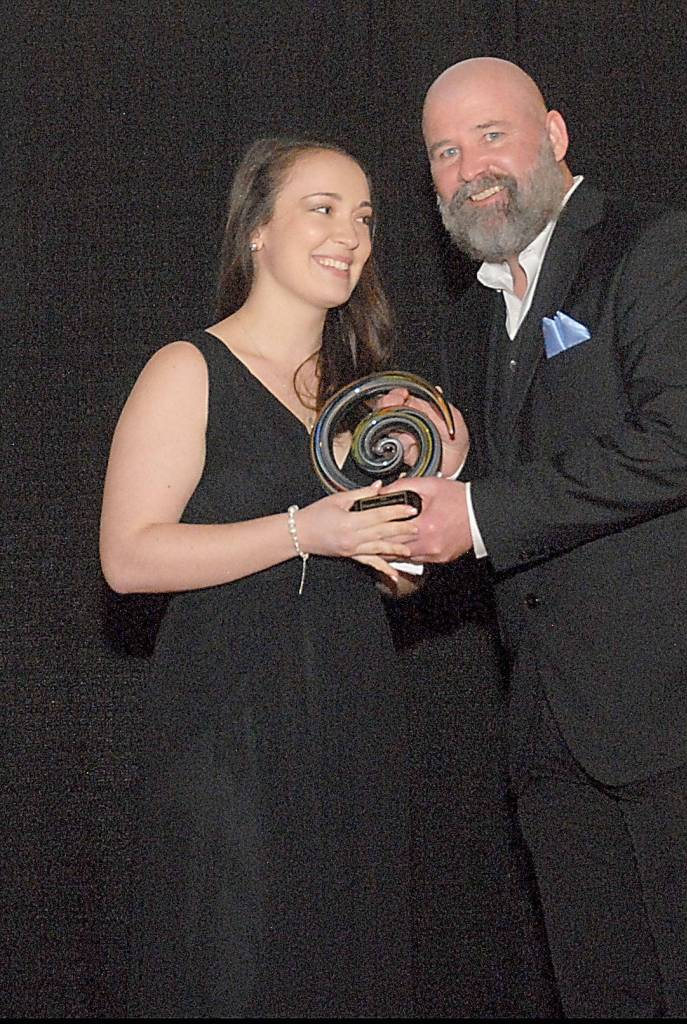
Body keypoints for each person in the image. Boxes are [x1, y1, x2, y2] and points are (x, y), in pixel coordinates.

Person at [395, 57, 687, 1017]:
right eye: (445, 153)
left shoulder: (657, 247)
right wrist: (410, 547)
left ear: (556, 134)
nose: (470, 169)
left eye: (491, 136)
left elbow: (685, 445)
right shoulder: (466, 324)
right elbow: (499, 520)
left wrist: (479, 514)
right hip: (551, 732)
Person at [99, 137, 429, 1017]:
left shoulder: (363, 400)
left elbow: (390, 573)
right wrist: (301, 531)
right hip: (229, 725)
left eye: (363, 217)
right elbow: (127, 558)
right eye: (321, 209)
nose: (349, 235)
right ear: (256, 230)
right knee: (232, 968)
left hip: (351, 711)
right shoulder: (188, 369)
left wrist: (403, 547)